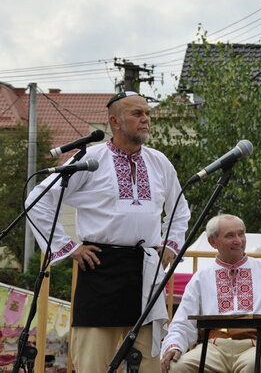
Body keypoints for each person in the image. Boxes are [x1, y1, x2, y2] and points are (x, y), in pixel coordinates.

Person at [26, 91, 191, 371]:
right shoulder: (90, 159)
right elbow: (36, 201)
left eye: (147, 114)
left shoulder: (159, 162)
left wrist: (171, 244)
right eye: (137, 114)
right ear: (115, 121)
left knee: (148, 364)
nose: (146, 120)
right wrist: (69, 247)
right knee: (94, 363)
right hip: (101, 269)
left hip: (146, 270)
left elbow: (179, 208)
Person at [160, 214, 261, 373]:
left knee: (254, 366)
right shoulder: (202, 276)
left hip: (256, 345)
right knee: (176, 367)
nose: (238, 240)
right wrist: (174, 346)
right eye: (230, 235)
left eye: (241, 234)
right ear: (212, 241)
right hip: (213, 348)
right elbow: (182, 322)